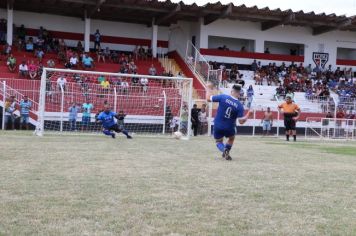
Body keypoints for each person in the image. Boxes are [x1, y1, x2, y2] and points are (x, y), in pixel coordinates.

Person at [206, 83, 252, 160]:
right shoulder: (240, 106)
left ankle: (224, 150)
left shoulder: (223, 97)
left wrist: (208, 88)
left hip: (218, 125)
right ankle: (227, 151)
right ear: (239, 93)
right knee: (231, 138)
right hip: (229, 127)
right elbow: (241, 122)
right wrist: (248, 114)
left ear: (231, 91)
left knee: (218, 142)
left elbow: (208, 98)